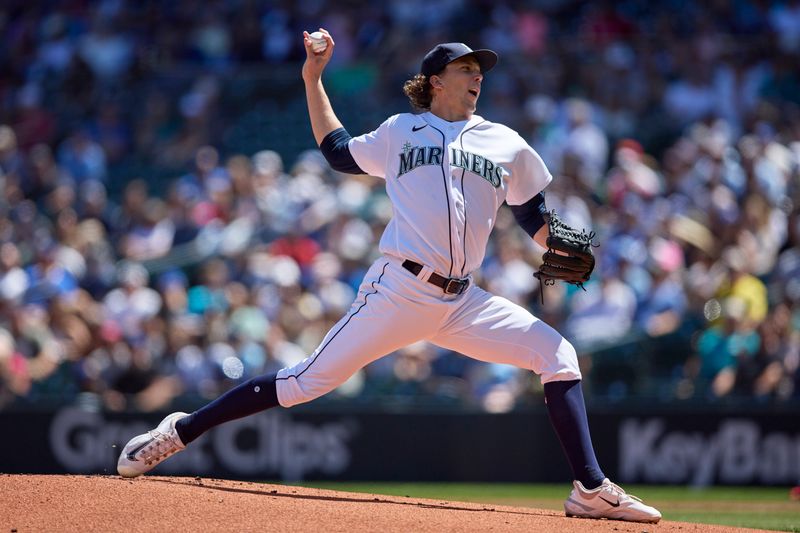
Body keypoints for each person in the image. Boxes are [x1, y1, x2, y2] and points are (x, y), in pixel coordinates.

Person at [117, 29, 661, 524]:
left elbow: (531, 214)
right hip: (398, 289)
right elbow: (337, 152)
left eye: (480, 70)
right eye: (466, 69)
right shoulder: (402, 130)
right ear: (434, 81)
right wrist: (313, 77)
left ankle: (589, 489)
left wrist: (560, 242)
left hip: (462, 300)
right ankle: (180, 430)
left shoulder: (505, 141)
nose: (477, 76)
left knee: (558, 354)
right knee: (305, 382)